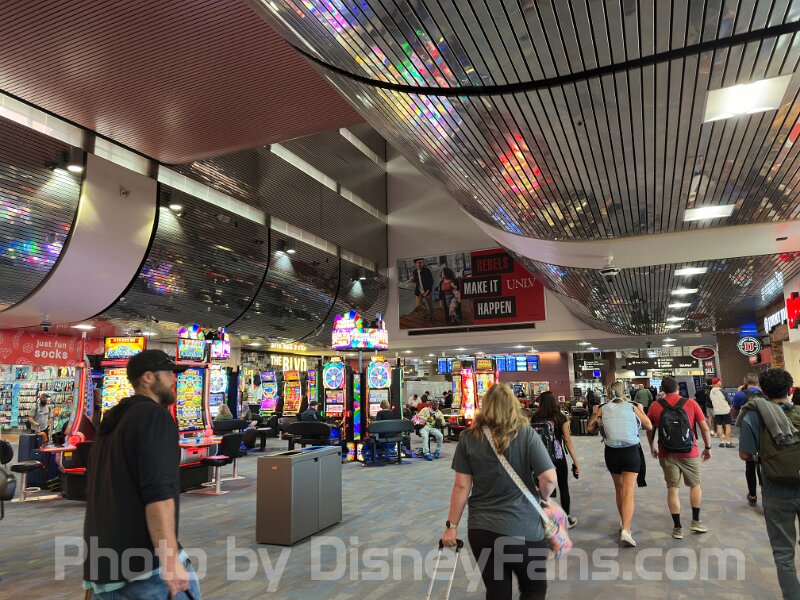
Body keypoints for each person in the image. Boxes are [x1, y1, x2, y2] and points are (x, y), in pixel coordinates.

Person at [83, 349, 201, 599]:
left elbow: (96, 492)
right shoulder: (154, 416)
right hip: (146, 569)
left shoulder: (112, 420)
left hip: (104, 568)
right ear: (148, 377)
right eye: (168, 373)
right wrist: (170, 561)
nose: (173, 379)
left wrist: (91, 579)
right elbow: (159, 492)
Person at [443, 383, 557, 599]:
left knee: (497, 592)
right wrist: (542, 497)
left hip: (482, 529)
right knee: (533, 589)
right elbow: (550, 478)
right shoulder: (527, 434)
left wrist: (452, 527)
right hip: (523, 528)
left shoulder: (468, 438)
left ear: (485, 407)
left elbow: (461, 486)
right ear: (514, 406)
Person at [738, 368, 800, 599]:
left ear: (762, 390)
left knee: (784, 553)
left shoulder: (754, 414)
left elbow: (745, 454)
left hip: (775, 489)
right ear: (790, 389)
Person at [646, 375, 711, 540]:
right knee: (695, 485)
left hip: (666, 452)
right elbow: (704, 428)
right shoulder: (691, 403)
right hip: (690, 452)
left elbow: (650, 429)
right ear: (678, 388)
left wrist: (652, 446)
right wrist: (708, 447)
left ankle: (677, 528)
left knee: (672, 488)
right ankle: (696, 521)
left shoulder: (655, 405)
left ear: (662, 389)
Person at [588, 381, 652, 547]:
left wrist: (596, 415)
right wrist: (641, 412)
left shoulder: (602, 407)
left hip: (612, 453)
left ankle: (624, 522)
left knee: (619, 489)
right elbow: (649, 425)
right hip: (630, 452)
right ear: (624, 392)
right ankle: (626, 530)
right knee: (628, 492)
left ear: (608, 393)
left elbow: (590, 428)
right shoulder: (632, 406)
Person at [531, 391, 580, 528]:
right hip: (558, 457)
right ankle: (566, 519)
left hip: (540, 457)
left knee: (542, 489)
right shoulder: (561, 417)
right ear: (554, 402)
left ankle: (544, 519)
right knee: (563, 486)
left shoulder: (535, 417)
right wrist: (576, 462)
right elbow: (568, 440)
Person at [733, 374, 764, 505]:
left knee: (749, 464)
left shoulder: (740, 395)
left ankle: (752, 494)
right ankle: (766, 494)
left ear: (745, 381)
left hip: (748, 432)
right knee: (765, 464)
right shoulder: (765, 394)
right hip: (764, 432)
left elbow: (733, 413)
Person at [709, 377, 734, 448]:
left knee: (719, 426)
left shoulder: (711, 392)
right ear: (717, 383)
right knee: (728, 426)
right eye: (720, 381)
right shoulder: (722, 391)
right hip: (726, 411)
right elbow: (729, 401)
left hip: (717, 412)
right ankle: (728, 442)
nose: (721, 382)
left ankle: (721, 442)